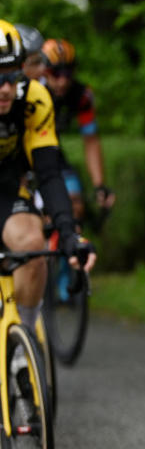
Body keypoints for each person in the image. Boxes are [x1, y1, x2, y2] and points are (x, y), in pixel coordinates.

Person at [0, 20, 95, 347]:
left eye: (13, 75)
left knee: (32, 248)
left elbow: (50, 173)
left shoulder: (35, 97)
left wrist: (68, 232)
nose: (6, 90)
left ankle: (23, 345)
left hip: (7, 185)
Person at [41, 38, 115, 223]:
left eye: (68, 73)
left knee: (75, 206)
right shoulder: (33, 91)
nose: (63, 81)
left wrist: (99, 185)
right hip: (22, 154)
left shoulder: (81, 96)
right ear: (44, 71)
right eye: (56, 74)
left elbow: (91, 140)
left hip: (52, 154)